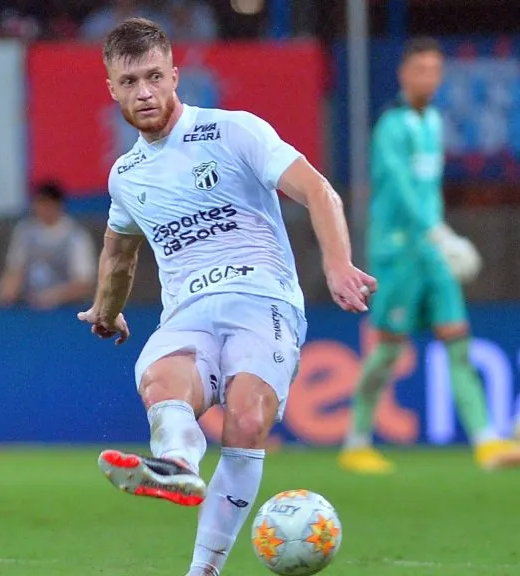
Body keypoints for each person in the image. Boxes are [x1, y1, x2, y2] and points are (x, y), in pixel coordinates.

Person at [78, 18, 375, 576]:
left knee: (244, 422)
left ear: (174, 75)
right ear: (111, 88)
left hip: (262, 301)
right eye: (130, 82)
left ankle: (203, 568)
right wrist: (108, 309)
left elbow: (316, 189)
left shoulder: (235, 131)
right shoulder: (126, 175)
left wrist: (338, 265)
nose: (144, 92)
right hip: (188, 312)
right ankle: (175, 465)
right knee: (162, 380)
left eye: (154, 77)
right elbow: (119, 254)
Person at [338, 37, 520, 475]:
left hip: (432, 250)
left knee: (458, 340)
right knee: (389, 352)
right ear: (404, 75)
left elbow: (428, 191)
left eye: (435, 70)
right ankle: (356, 441)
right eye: (421, 70)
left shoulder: (433, 120)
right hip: (397, 251)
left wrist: (439, 235)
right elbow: (398, 187)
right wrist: (437, 231)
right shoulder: (391, 127)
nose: (429, 78)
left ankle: (488, 443)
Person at [0, 181, 96, 309]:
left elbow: (84, 283)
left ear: (57, 205)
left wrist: (53, 296)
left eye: (46, 203)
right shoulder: (25, 232)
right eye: (38, 203)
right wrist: (7, 293)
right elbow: (14, 270)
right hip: (29, 309)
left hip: (66, 311)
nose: (41, 208)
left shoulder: (76, 237)